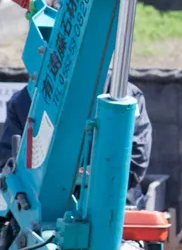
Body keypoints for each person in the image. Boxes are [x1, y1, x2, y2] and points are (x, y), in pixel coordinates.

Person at [0, 80, 153, 208]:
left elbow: (135, 160)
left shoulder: (123, 94)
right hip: (36, 205)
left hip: (114, 204)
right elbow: (7, 160)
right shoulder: (24, 100)